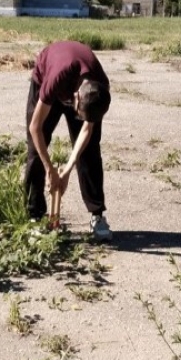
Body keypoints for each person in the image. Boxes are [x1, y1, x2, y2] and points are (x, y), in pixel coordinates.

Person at [24, 40, 112, 240]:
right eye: (79, 114)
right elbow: (35, 127)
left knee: (89, 151)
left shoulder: (100, 88)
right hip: (48, 81)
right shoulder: (57, 78)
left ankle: (97, 216)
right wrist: (50, 170)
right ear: (76, 99)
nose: (79, 119)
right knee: (36, 150)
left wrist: (67, 169)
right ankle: (34, 216)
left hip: (81, 93)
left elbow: (87, 129)